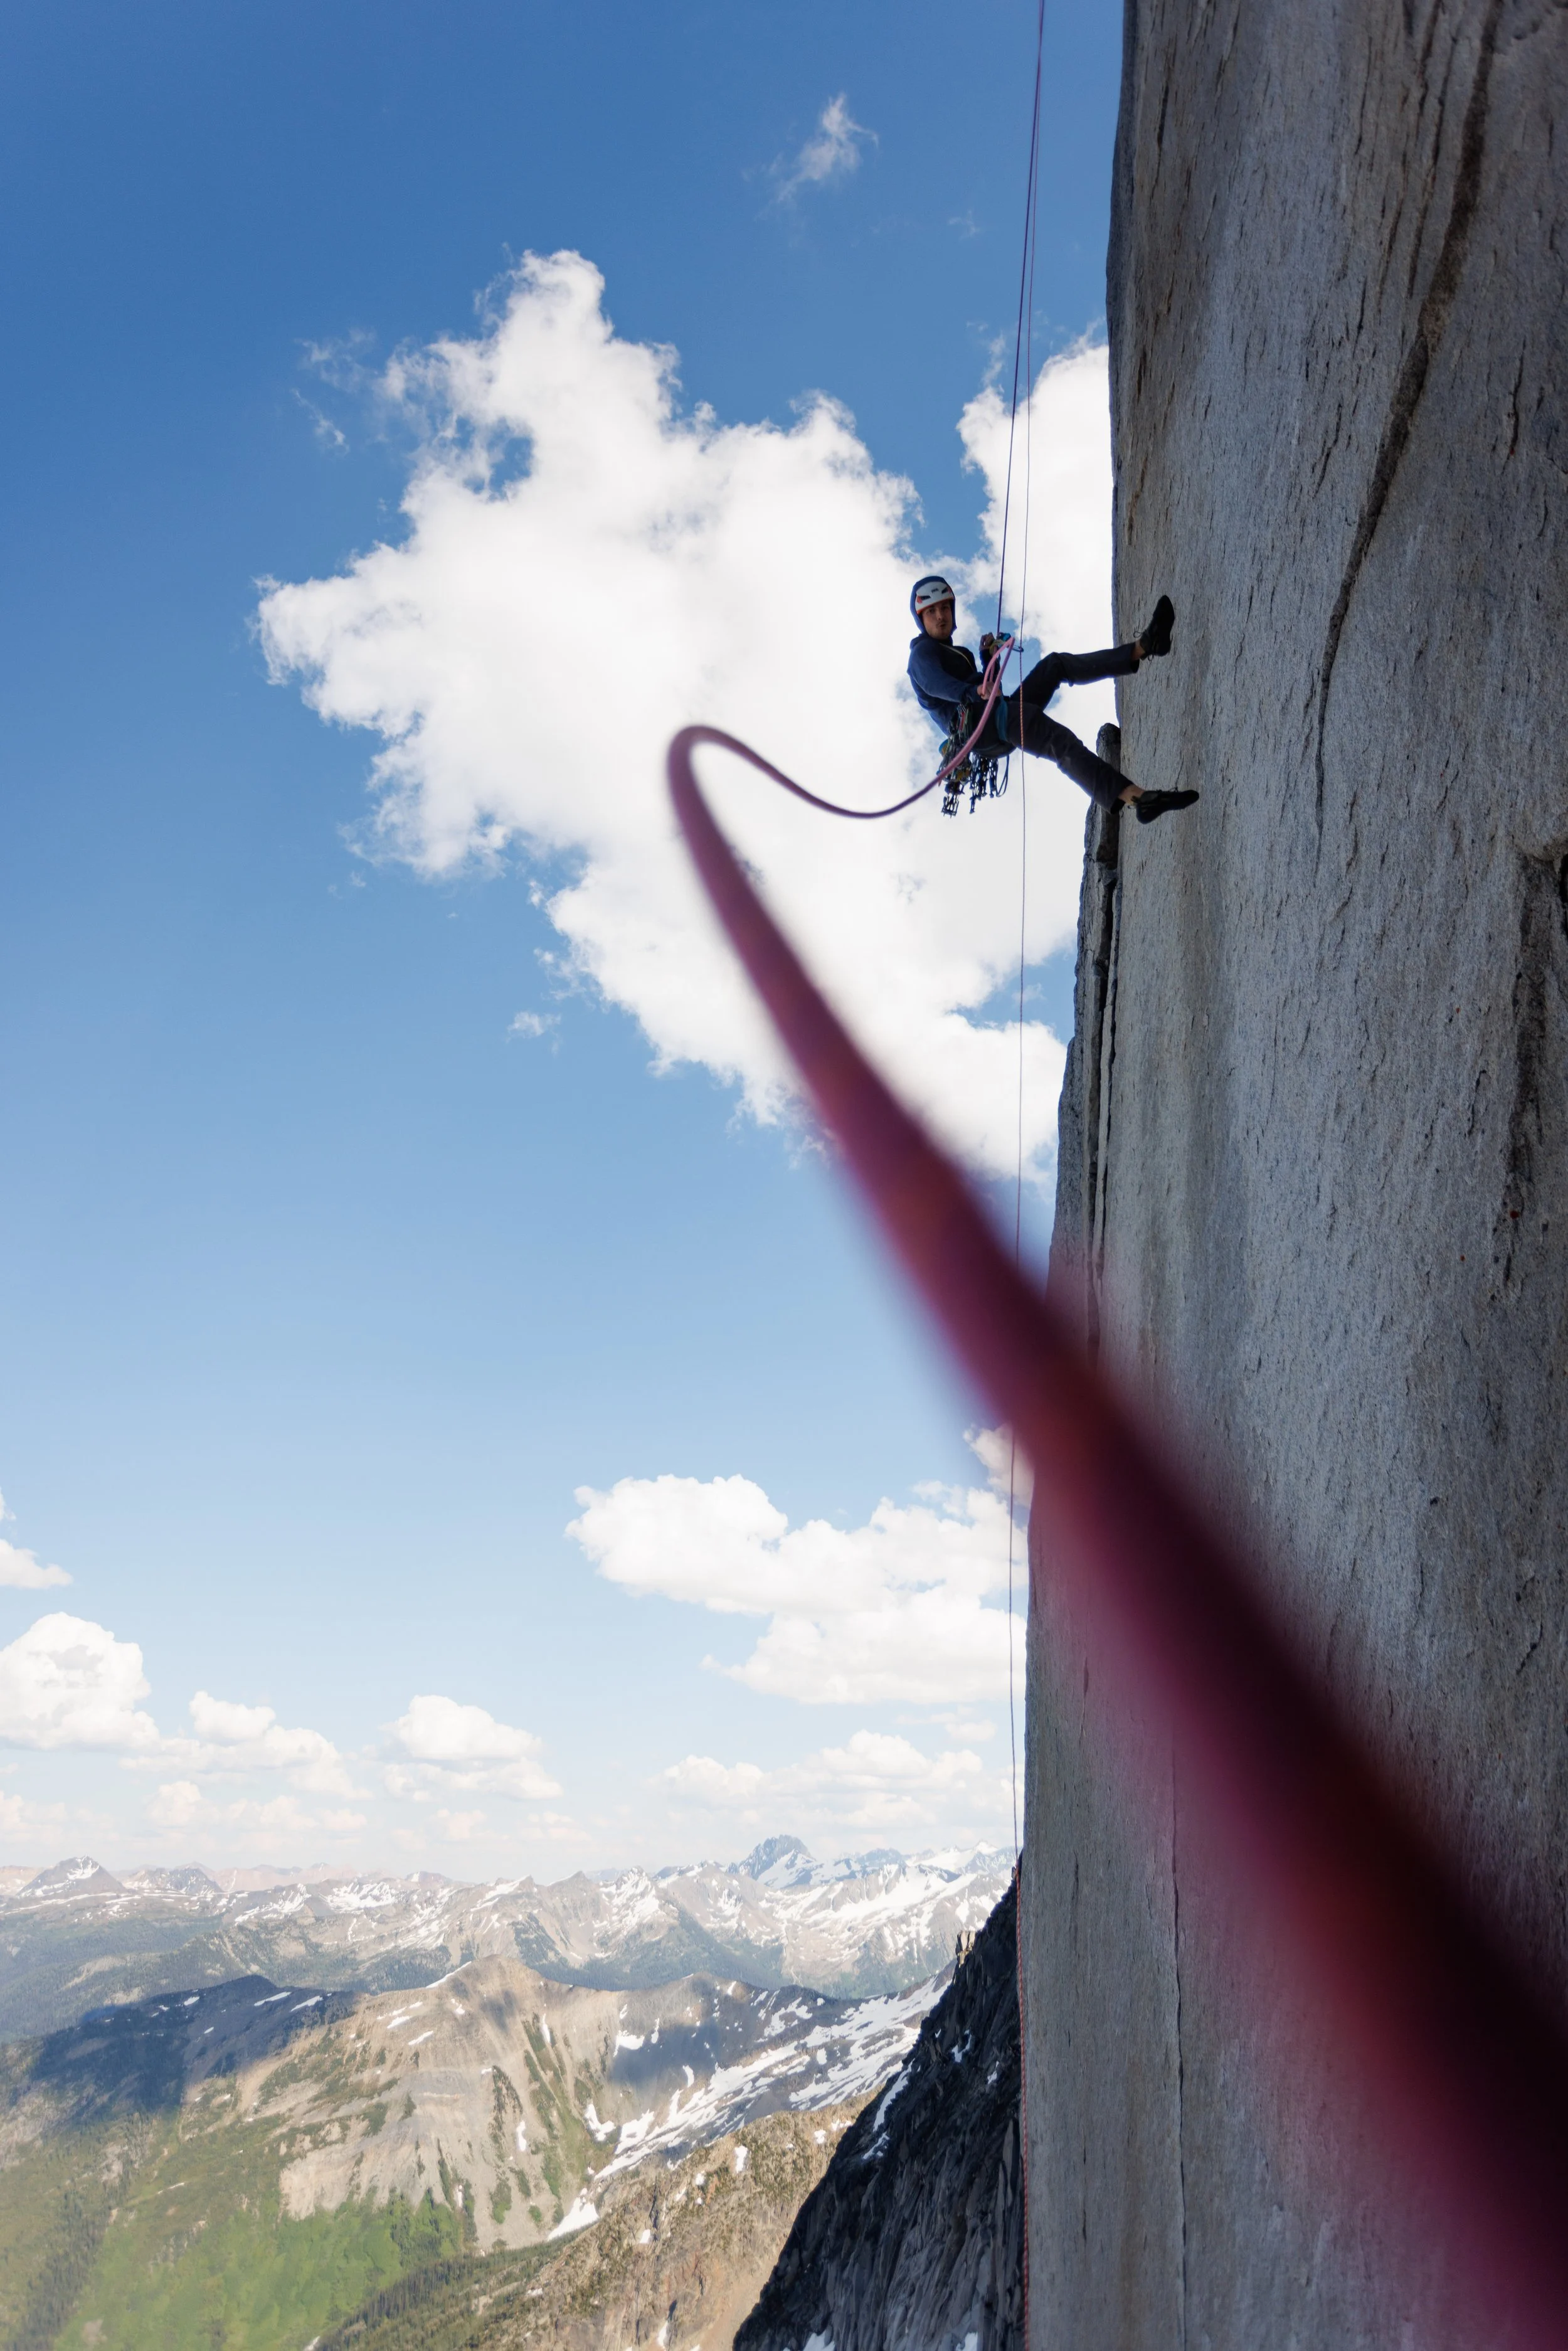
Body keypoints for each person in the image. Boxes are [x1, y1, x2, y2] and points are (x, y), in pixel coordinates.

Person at [905, 575, 1199, 823]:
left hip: (996, 715)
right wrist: (972, 691)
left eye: (945, 608)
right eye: (932, 612)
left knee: (1055, 665)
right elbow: (936, 685)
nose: (941, 616)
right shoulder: (921, 654)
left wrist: (987, 660)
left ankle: (1144, 647)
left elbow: (986, 690)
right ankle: (1138, 798)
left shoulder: (960, 655)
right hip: (987, 728)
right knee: (1058, 741)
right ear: (921, 619)